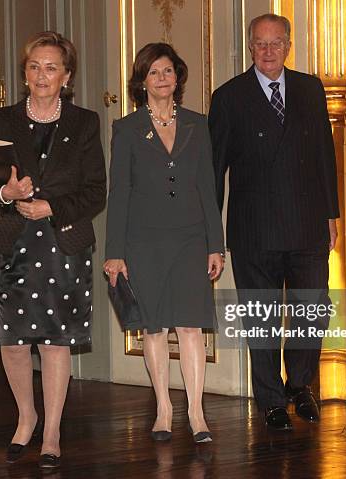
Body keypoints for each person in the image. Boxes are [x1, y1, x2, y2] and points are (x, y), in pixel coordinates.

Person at [0, 31, 106, 468]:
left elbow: (96, 192)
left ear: (67, 76)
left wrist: (52, 205)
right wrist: (7, 194)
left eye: (51, 67)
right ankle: (25, 419)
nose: (41, 75)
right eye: (34, 66)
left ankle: (51, 433)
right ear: (25, 73)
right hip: (12, 245)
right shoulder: (0, 119)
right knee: (10, 342)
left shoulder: (84, 122)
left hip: (62, 242)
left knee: (54, 341)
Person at [208, 14, 340, 431]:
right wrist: (212, 233)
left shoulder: (310, 88)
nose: (268, 51)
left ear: (288, 46)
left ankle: (301, 388)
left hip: (307, 224)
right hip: (254, 230)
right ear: (251, 48)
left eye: (276, 43)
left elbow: (324, 154)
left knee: (311, 310)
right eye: (260, 44)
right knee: (261, 316)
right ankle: (269, 400)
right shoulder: (229, 97)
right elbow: (215, 170)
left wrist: (332, 215)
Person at [104, 43, 224, 444]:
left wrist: (215, 244)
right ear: (142, 81)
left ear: (178, 77)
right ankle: (163, 409)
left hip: (191, 238)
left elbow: (209, 187)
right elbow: (118, 192)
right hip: (143, 241)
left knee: (191, 326)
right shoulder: (125, 128)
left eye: (168, 71)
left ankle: (196, 413)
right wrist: (114, 253)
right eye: (153, 72)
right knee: (153, 327)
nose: (161, 78)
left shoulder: (197, 124)